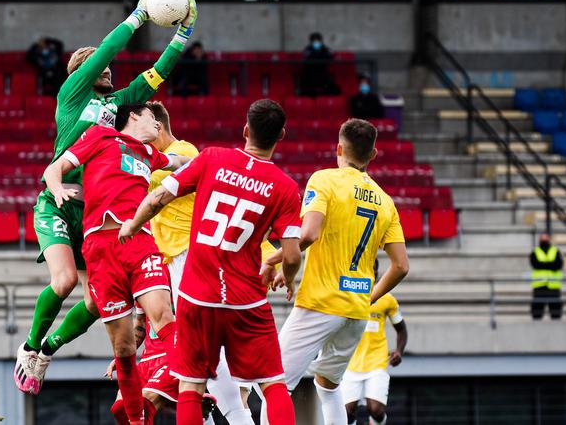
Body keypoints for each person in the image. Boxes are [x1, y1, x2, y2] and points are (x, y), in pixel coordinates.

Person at [13, 0, 197, 397]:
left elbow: (157, 75)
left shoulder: (116, 106)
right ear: (80, 72)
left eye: (110, 70)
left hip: (94, 214)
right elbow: (108, 50)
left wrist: (183, 34)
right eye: (99, 66)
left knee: (96, 304)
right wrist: (138, 16)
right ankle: (27, 347)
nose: (109, 71)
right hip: (58, 203)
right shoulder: (72, 96)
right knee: (62, 283)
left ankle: (46, 352)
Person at [119, 99, 304, 425]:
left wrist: (132, 225)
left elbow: (158, 197)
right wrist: (287, 276)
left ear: (245, 130)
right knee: (273, 382)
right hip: (245, 296)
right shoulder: (286, 187)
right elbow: (292, 254)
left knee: (192, 385)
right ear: (282, 136)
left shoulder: (210, 158)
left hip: (196, 289)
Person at [43, 102, 190, 424]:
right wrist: (57, 191)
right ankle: (138, 419)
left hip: (139, 243)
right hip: (100, 248)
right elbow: (53, 169)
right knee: (123, 348)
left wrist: (217, 163)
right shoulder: (100, 137)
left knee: (164, 316)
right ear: (135, 116)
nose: (159, 127)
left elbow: (181, 162)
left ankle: (191, 384)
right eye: (154, 118)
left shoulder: (151, 155)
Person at [260, 118, 409, 425]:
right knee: (329, 388)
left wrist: (273, 260)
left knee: (273, 385)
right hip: (355, 310)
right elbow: (401, 266)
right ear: (374, 155)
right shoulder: (385, 201)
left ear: (339, 148)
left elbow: (308, 234)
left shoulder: (324, 180)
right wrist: (369, 297)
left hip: (321, 303)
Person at [342, 260, 408, 425]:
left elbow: (401, 329)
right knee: (347, 412)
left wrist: (399, 351)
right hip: (351, 362)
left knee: (376, 410)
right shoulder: (348, 295)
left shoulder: (387, 299)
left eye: (371, 270)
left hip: (377, 361)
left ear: (377, 273)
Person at [530, 233, 564, 320]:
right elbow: (535, 265)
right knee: (537, 313)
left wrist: (543, 265)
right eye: (542, 239)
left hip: (553, 286)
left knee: (556, 313)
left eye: (545, 239)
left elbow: (558, 265)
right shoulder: (535, 252)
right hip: (539, 286)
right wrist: (550, 265)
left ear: (549, 240)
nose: (544, 241)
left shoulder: (555, 251)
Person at [300, 32, 339, 97]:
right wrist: (316, 54)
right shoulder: (308, 49)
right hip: (311, 73)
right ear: (311, 41)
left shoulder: (325, 48)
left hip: (323, 73)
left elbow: (331, 56)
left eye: (318, 40)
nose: (316, 42)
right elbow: (306, 57)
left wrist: (320, 53)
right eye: (314, 40)